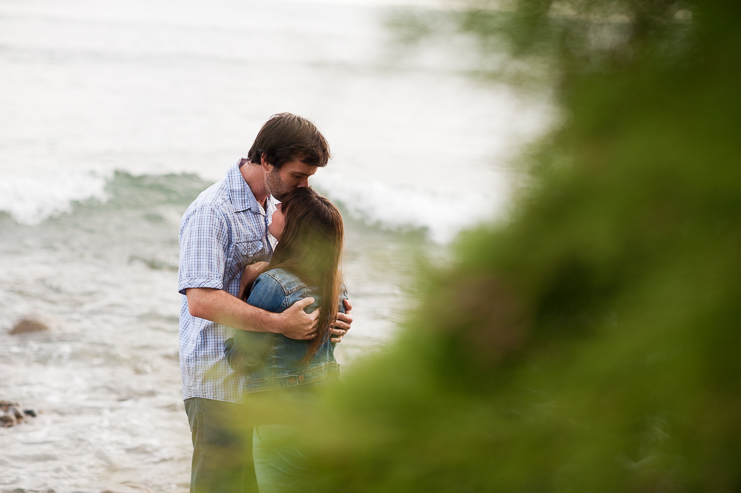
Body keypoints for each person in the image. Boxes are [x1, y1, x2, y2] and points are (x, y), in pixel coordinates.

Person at [177, 113, 353, 493]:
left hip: (268, 388)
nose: (302, 187)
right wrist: (280, 324)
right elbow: (200, 301)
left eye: (308, 179)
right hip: (219, 382)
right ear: (266, 161)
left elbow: (296, 275)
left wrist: (329, 319)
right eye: (297, 176)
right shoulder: (212, 211)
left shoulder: (275, 208)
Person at [224, 186, 346, 493]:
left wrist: (243, 291)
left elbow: (240, 358)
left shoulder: (273, 284)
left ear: (294, 228)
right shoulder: (335, 285)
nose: (273, 211)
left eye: (281, 209)